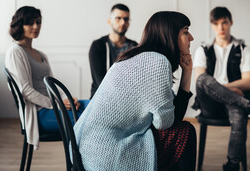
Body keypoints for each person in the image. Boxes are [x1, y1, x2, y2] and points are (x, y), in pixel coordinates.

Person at [74, 11, 197, 171]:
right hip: (104, 152)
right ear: (170, 34)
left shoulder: (133, 56)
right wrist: (187, 76)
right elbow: (165, 123)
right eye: (186, 31)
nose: (191, 38)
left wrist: (186, 72)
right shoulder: (158, 62)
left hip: (82, 146)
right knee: (186, 132)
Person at [192, 6, 250, 171]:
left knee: (238, 117)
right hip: (210, 105)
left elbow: (248, 82)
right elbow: (199, 81)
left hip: (234, 102)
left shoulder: (243, 49)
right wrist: (228, 89)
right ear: (212, 25)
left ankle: (231, 165)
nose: (221, 28)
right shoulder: (203, 49)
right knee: (203, 79)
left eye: (224, 23)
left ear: (231, 23)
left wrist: (225, 90)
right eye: (216, 24)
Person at [5, 6, 89, 150]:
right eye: (30, 23)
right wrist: (58, 104)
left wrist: (67, 99)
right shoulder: (15, 52)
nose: (36, 26)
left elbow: (53, 84)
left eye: (38, 22)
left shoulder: (41, 55)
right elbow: (25, 91)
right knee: (88, 120)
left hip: (54, 106)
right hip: (39, 114)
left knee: (94, 105)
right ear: (20, 25)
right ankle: (80, 164)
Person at [89, 3, 138, 98]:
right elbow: (99, 81)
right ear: (109, 21)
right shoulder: (98, 46)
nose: (123, 22)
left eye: (126, 19)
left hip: (128, 101)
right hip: (100, 99)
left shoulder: (135, 47)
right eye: (118, 18)